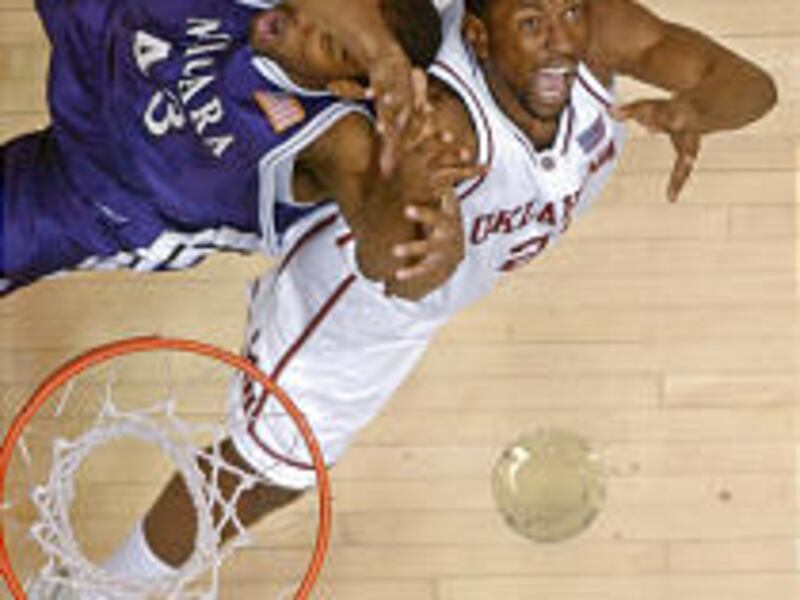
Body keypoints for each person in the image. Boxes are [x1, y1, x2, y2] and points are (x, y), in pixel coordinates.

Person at [73, 0, 777, 592]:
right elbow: (399, 270)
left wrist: (697, 109)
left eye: (566, 12)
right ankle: (98, 590)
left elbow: (749, 84)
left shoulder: (589, 33)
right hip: (363, 304)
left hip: (445, 285)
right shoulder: (442, 123)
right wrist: (428, 241)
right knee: (260, 474)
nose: (562, 37)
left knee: (275, 475)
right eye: (532, 23)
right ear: (478, 37)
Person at [0, 0, 467, 298]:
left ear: (344, 86)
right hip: (107, 37)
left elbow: (385, 253)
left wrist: (427, 255)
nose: (302, 21)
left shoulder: (336, 136)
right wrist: (380, 54)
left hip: (104, 195)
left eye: (326, 42)